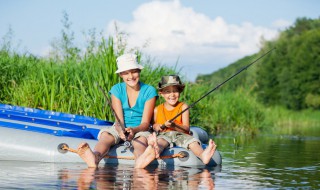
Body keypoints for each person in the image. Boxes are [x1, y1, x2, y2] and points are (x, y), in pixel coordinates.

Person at [77, 53, 158, 168]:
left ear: (139, 71)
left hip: (140, 129)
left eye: (134, 71)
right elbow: (118, 119)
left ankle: (141, 160)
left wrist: (133, 130)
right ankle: (95, 157)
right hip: (120, 126)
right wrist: (121, 131)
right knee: (106, 136)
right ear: (121, 74)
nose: (131, 76)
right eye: (126, 73)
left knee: (140, 142)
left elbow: (145, 123)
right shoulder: (116, 89)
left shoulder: (150, 91)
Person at [135, 75, 217, 168]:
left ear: (180, 92)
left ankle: (203, 155)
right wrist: (160, 126)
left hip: (180, 135)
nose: (172, 95)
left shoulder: (183, 107)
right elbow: (155, 126)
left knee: (192, 142)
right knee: (160, 142)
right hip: (164, 135)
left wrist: (174, 126)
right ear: (161, 93)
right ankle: (154, 150)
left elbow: (186, 128)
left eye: (175, 91)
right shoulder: (157, 110)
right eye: (168, 91)